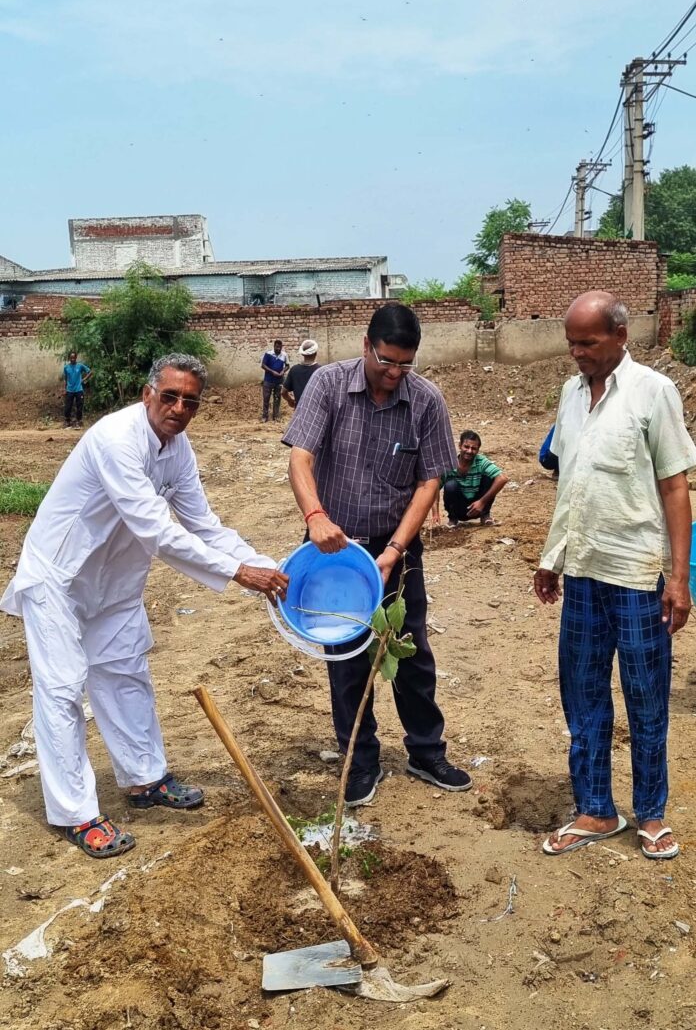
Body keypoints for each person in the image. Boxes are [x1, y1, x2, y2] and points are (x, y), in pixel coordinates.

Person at [0, 353, 289, 859]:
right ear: (147, 394)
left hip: (114, 583)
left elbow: (203, 523)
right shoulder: (116, 438)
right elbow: (156, 528)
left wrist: (266, 567)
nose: (178, 408)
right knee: (63, 689)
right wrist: (238, 573)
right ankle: (76, 814)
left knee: (125, 674)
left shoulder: (178, 449)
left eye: (190, 401)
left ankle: (144, 779)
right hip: (60, 578)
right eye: (170, 396)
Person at [282, 302, 472, 806]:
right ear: (366, 345)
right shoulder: (326, 385)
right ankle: (360, 761)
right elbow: (300, 457)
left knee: (410, 653)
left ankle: (426, 751)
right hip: (334, 553)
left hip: (397, 553)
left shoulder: (426, 401)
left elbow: (430, 480)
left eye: (404, 364)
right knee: (345, 656)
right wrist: (315, 516)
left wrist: (393, 550)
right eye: (386, 361)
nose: (394, 373)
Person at [534, 291, 696, 861]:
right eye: (571, 342)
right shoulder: (569, 396)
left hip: (637, 575)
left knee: (647, 697)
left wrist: (680, 578)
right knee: (582, 695)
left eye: (588, 342)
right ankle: (597, 809)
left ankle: (651, 814)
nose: (576, 353)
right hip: (582, 572)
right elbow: (571, 485)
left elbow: (676, 487)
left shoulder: (654, 392)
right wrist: (551, 557)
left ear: (620, 336)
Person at [436, 430, 509, 528]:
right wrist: (435, 512)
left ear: (478, 450)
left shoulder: (480, 461)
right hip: (459, 508)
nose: (469, 451)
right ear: (460, 446)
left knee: (490, 477)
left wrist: (482, 502)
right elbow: (434, 488)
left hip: (479, 507)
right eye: (466, 447)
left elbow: (503, 478)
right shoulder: (449, 464)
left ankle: (485, 516)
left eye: (474, 448)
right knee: (450, 485)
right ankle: (453, 519)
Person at [282, 339, 321, 409]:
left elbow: (283, 392)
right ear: (316, 353)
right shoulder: (321, 371)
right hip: (317, 411)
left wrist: (290, 401)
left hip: (300, 411)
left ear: (303, 354)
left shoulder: (294, 370)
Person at [63, 351, 92, 428]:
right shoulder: (66, 367)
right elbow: (65, 379)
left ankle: (79, 421)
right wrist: (64, 389)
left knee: (79, 406)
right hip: (69, 390)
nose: (72, 359)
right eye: (71, 357)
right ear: (69, 358)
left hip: (79, 389)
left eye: (74, 357)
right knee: (68, 406)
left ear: (76, 358)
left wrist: (84, 379)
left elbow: (90, 372)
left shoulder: (80, 366)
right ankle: (67, 421)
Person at [261, 339, 287, 422]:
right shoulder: (268, 354)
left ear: (282, 347)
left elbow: (287, 365)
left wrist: (283, 371)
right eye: (277, 347)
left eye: (280, 347)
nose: (278, 349)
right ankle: (265, 416)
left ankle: (276, 416)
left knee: (277, 398)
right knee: (266, 398)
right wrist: (272, 372)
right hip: (268, 380)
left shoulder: (284, 355)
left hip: (279, 381)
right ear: (274, 346)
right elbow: (263, 365)